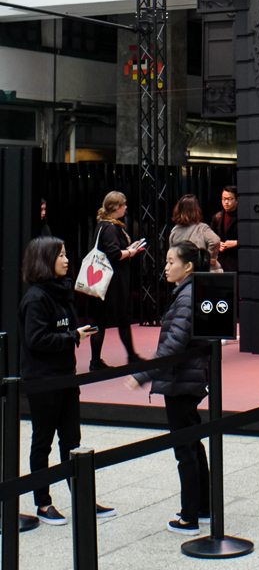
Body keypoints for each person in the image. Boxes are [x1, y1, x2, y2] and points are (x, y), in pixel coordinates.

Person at [18, 236, 116, 525]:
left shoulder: (63, 291)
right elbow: (36, 339)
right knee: (43, 441)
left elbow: (63, 330)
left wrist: (75, 333)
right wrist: (73, 336)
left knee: (72, 440)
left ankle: (82, 498)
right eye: (60, 255)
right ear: (45, 260)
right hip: (43, 380)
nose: (66, 260)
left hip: (66, 376)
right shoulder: (36, 297)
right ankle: (43, 503)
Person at [127, 241, 211, 535]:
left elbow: (174, 344)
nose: (165, 267)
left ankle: (189, 518)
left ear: (188, 266)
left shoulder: (186, 296)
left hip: (181, 381)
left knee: (185, 449)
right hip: (186, 379)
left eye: (171, 262)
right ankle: (202, 507)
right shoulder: (189, 291)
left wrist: (143, 375)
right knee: (193, 444)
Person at [88, 191, 145, 371]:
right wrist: (130, 252)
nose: (126, 208)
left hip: (106, 281)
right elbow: (113, 254)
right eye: (123, 204)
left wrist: (128, 249)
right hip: (112, 283)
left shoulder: (103, 225)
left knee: (106, 321)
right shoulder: (111, 227)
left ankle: (123, 357)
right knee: (115, 320)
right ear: (115, 208)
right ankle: (101, 361)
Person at [170, 195, 221, 272]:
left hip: (182, 271)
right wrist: (211, 258)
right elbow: (215, 241)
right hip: (201, 271)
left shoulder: (175, 231)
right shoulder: (202, 228)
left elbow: (172, 253)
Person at [210, 186, 239, 273]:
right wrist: (218, 244)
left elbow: (250, 237)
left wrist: (236, 242)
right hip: (220, 261)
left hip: (236, 260)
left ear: (236, 200)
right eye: (224, 199)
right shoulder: (217, 217)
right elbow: (210, 237)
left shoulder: (241, 216)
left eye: (229, 199)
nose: (226, 202)